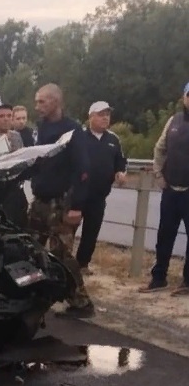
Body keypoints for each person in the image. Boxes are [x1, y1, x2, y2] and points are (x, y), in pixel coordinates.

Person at [27, 83, 94, 317]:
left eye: (42, 102)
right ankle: (32, 296)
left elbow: (83, 170)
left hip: (61, 202)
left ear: (56, 101)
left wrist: (77, 206)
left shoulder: (73, 130)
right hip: (40, 200)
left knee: (61, 255)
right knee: (29, 248)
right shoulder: (41, 128)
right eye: (36, 102)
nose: (37, 107)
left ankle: (81, 301)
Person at [139, 82, 189, 296]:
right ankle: (158, 278)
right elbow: (160, 148)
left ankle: (187, 282)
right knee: (164, 236)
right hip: (170, 190)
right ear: (184, 97)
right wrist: (159, 174)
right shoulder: (173, 121)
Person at [75, 101, 127, 274]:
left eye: (107, 114)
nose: (105, 118)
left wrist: (120, 172)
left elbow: (120, 160)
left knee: (91, 232)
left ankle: (82, 264)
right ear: (91, 117)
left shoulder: (113, 139)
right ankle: (63, 265)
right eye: (101, 114)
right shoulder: (79, 136)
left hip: (99, 195)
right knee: (67, 231)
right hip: (77, 195)